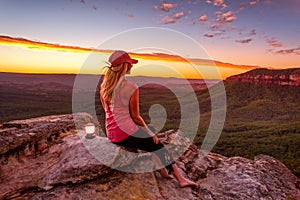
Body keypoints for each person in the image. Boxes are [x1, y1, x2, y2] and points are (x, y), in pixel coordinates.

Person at [100, 50, 198, 188]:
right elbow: (136, 117)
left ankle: (162, 169)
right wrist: (150, 134)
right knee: (157, 144)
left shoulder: (104, 87)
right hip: (125, 133)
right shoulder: (131, 87)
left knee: (150, 133)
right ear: (125, 66)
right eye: (130, 64)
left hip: (112, 133)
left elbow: (108, 112)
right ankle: (181, 179)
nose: (132, 66)